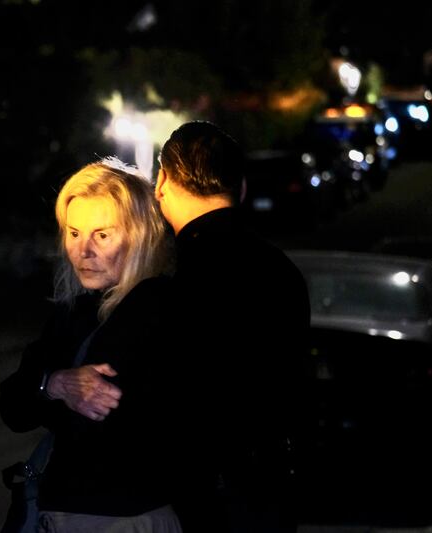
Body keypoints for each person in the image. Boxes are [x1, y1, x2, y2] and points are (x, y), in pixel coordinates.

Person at [0, 157, 181, 532]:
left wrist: (47, 391)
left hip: (121, 518)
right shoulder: (76, 311)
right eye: (74, 232)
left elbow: (98, 425)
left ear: (140, 235)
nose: (83, 251)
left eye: (102, 235)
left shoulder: (155, 306)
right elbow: (11, 406)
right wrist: (55, 384)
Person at [154, 120, 311, 532]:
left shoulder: (169, 275)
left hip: (195, 494)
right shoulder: (281, 270)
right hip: (268, 484)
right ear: (240, 188)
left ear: (163, 182)